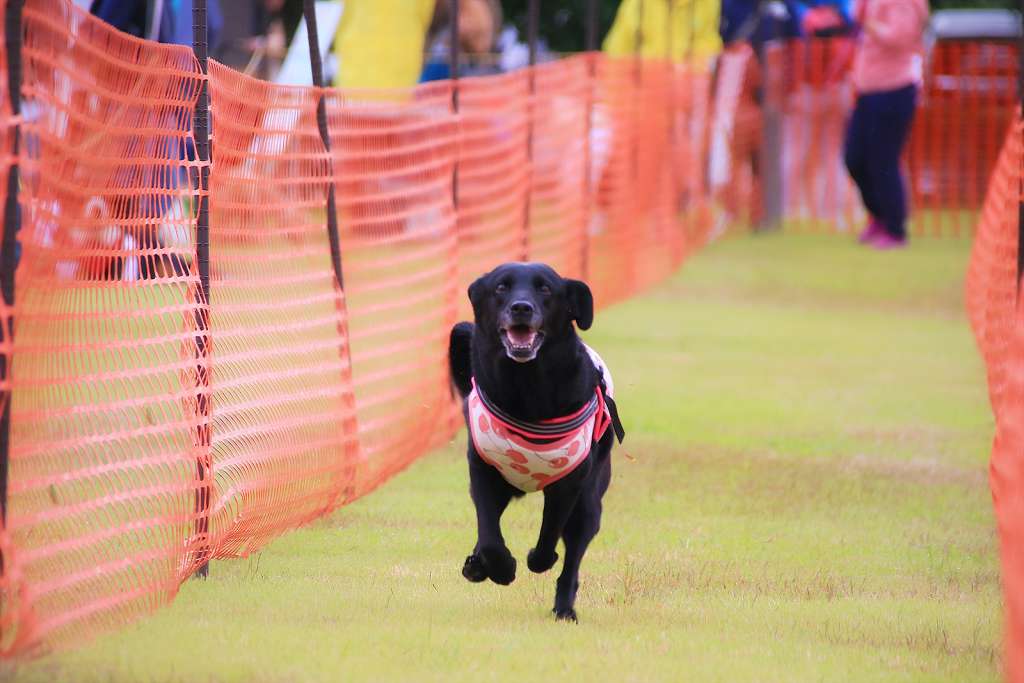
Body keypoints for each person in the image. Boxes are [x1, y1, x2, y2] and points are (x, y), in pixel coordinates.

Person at [843, 0, 928, 249]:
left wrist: (869, 23)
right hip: (867, 90)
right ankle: (878, 217)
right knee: (855, 158)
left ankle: (894, 228)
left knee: (884, 161)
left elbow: (901, 37)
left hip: (895, 88)